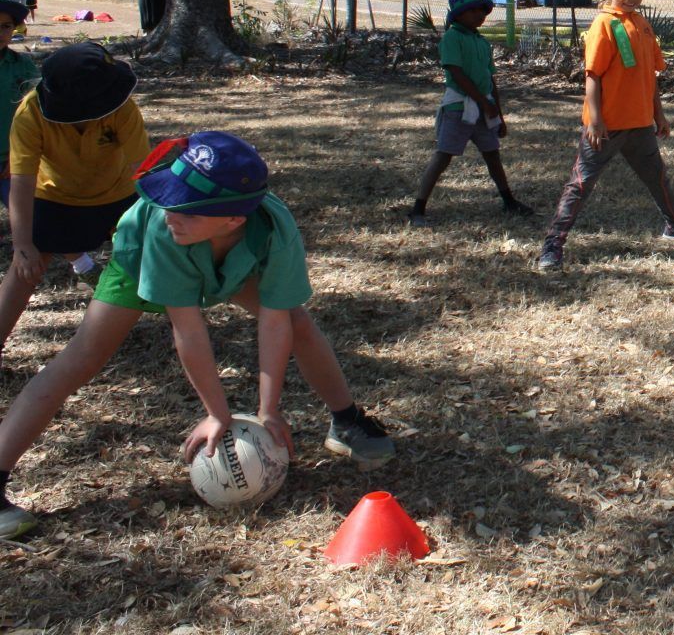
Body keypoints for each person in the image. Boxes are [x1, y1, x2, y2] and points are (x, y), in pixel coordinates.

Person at [0, 132, 396, 540]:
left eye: (187, 209)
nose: (171, 212)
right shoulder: (163, 225)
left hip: (228, 261)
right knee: (82, 358)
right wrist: (217, 413)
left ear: (233, 219)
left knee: (297, 323)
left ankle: (347, 422)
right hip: (144, 262)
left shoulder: (274, 228)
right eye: (168, 198)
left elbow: (275, 322)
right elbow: (188, 330)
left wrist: (269, 409)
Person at [535, 0, 674, 272]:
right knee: (581, 184)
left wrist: (659, 115)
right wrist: (596, 119)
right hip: (606, 127)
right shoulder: (603, 25)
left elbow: (651, 75)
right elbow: (593, 75)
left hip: (640, 124)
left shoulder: (642, 24)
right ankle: (553, 245)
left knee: (658, 179)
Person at [0, 43, 149, 361]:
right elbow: (22, 181)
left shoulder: (124, 109)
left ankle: (186, 333)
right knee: (24, 270)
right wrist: (22, 243)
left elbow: (142, 170)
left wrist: (159, 221)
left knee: (159, 257)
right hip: (56, 198)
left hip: (118, 195)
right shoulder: (30, 114)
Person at [407, 0, 534, 227]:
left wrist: (498, 113)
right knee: (443, 156)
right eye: (473, 10)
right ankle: (418, 208)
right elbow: (456, 73)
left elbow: (490, 77)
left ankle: (508, 200)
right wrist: (484, 102)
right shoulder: (452, 38)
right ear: (458, 15)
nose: (480, 14)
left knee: (492, 155)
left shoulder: (482, 42)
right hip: (459, 108)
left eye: (482, 10)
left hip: (484, 109)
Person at [0, 0, 38, 209]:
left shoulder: (21, 65)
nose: (0, 33)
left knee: (24, 214)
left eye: (6, 26)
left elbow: (35, 109)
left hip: (12, 157)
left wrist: (17, 155)